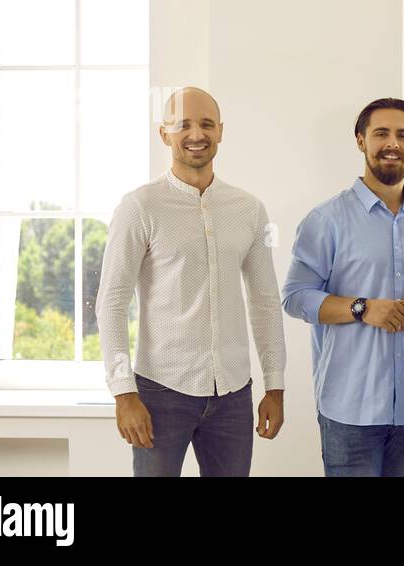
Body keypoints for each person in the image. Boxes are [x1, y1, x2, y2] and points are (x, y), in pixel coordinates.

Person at [97, 87, 287, 477]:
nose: (196, 134)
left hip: (233, 394)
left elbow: (265, 300)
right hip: (159, 392)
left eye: (205, 124)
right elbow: (112, 302)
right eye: (182, 124)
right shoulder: (139, 207)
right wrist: (123, 392)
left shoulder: (249, 209)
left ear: (221, 131)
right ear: (163, 134)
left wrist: (275, 385)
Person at [281, 98, 404, 477]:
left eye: (403, 135)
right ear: (361, 141)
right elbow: (295, 297)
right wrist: (362, 308)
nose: (392, 143)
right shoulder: (325, 220)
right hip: (349, 408)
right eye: (381, 134)